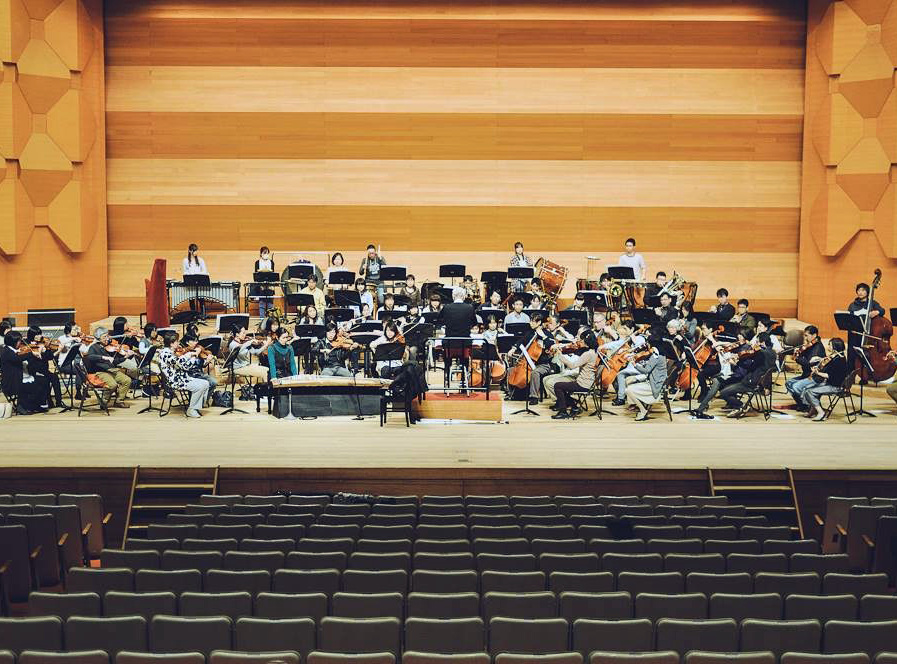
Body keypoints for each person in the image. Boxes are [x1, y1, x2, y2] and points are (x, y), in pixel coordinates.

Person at [551, 331, 601, 419]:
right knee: (562, 387)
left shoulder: (588, 354)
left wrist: (560, 355)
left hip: (583, 384)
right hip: (587, 382)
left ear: (586, 341)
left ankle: (563, 412)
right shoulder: (593, 352)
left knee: (557, 386)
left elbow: (572, 366)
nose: (580, 341)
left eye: (581, 340)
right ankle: (574, 407)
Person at [0, 330, 50, 414]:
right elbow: (17, 359)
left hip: (20, 377)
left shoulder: (14, 350)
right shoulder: (6, 351)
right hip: (12, 381)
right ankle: (22, 406)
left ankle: (37, 405)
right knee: (33, 385)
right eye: (19, 341)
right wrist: (31, 354)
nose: (20, 343)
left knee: (44, 380)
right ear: (12, 342)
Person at [83, 327, 133, 408]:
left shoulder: (107, 348)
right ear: (99, 338)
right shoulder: (94, 347)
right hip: (100, 371)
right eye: (104, 337)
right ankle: (104, 401)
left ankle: (119, 401)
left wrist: (126, 357)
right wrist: (103, 357)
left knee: (127, 380)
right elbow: (89, 357)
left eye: (107, 336)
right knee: (113, 385)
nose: (107, 338)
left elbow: (114, 361)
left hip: (111, 370)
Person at [802, 338, 849, 421]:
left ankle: (821, 412)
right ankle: (813, 411)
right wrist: (819, 364)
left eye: (830, 345)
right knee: (807, 388)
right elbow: (828, 368)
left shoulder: (838, 360)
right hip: (832, 383)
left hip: (836, 387)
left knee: (809, 392)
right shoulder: (838, 356)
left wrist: (817, 373)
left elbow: (829, 376)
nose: (828, 347)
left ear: (835, 347)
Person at [785, 325, 826, 410]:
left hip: (814, 377)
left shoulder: (818, 348)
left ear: (814, 335)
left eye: (807, 335)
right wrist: (795, 352)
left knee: (795, 387)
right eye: (804, 335)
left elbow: (808, 364)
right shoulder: (810, 345)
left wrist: (797, 358)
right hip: (806, 375)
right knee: (789, 383)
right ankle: (803, 405)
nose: (805, 338)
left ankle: (810, 404)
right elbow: (803, 354)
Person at [623, 346, 669, 421]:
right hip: (654, 383)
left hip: (654, 386)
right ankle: (639, 405)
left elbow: (646, 370)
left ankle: (643, 410)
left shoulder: (656, 357)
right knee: (630, 383)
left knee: (628, 390)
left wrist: (634, 364)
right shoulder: (661, 355)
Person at [267, 328, 300, 420]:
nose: (285, 340)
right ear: (277, 338)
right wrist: (274, 377)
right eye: (283, 338)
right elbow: (272, 364)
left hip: (287, 373)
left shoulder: (290, 348)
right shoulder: (271, 348)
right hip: (276, 373)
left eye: (287, 337)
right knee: (281, 388)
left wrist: (295, 376)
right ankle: (281, 411)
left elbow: (292, 364)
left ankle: (294, 410)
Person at [182, 243, 209, 314]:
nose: (195, 252)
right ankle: (193, 315)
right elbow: (185, 272)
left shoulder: (201, 260)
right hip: (191, 282)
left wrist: (198, 274)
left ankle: (203, 315)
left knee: (201, 299)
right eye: (194, 250)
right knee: (191, 299)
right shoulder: (185, 260)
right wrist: (191, 274)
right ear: (190, 251)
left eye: (196, 250)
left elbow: (205, 271)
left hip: (199, 282)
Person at [253, 246, 276, 319]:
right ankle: (262, 319)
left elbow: (273, 274)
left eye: (267, 253)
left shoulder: (271, 262)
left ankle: (270, 319)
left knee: (270, 303)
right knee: (262, 303)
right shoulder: (257, 262)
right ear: (261, 254)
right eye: (264, 253)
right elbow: (256, 275)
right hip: (261, 286)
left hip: (270, 286)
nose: (266, 254)